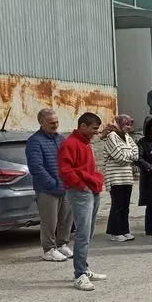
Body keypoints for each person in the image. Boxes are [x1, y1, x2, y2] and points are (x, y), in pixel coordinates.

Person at [57, 113, 111, 291]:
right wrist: (81, 185)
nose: (96, 132)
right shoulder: (70, 144)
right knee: (82, 233)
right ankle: (79, 274)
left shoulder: (85, 143)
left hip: (91, 189)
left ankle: (84, 268)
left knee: (88, 233)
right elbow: (66, 170)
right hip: (81, 191)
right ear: (83, 126)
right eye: (94, 128)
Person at [26, 109, 74, 262]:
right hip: (47, 189)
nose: (55, 125)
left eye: (57, 122)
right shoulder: (35, 141)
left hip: (65, 186)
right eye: (51, 123)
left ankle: (62, 244)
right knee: (49, 221)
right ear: (42, 123)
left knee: (66, 218)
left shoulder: (60, 139)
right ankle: (48, 249)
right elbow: (36, 167)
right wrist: (53, 183)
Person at [102, 114, 139, 242]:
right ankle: (115, 232)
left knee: (125, 205)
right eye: (126, 124)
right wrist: (129, 157)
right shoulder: (111, 136)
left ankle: (125, 230)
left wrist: (128, 156)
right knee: (117, 205)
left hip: (127, 176)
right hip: (115, 176)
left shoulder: (128, 137)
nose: (128, 127)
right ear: (119, 124)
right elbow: (119, 155)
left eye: (130, 124)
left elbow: (136, 153)